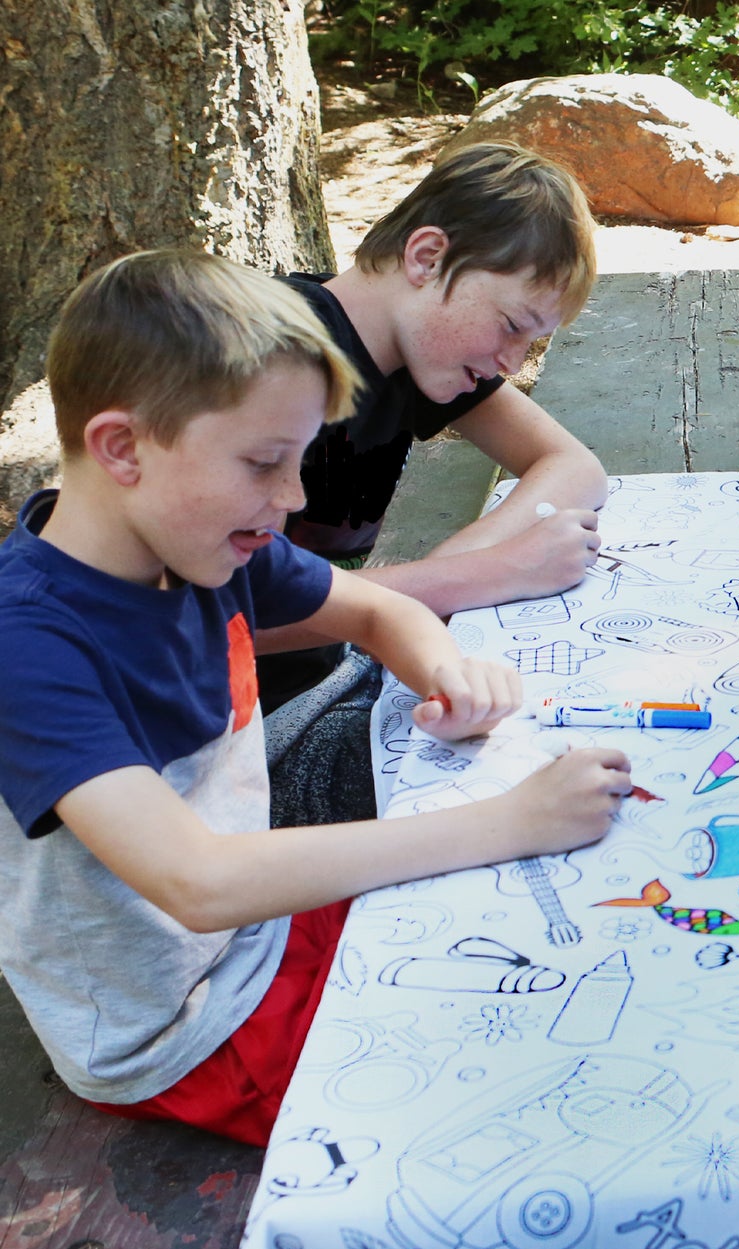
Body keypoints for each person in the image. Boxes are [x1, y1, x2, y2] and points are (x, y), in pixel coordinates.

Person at [0, 249, 629, 1147]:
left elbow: (373, 608)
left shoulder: (198, 542)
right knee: (520, 1102)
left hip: (265, 930)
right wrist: (514, 820)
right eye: (264, 462)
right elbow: (198, 882)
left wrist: (444, 671)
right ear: (122, 447)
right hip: (186, 1028)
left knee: (557, 949)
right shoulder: (28, 644)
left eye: (296, 460)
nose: (291, 498)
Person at [261, 142, 607, 823]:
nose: (510, 362)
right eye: (511, 326)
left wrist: (453, 572)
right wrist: (480, 577)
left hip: (334, 674)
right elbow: (226, 619)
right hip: (240, 733)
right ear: (426, 258)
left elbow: (575, 468)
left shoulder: (411, 350)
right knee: (532, 771)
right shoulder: (275, 360)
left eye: (531, 345)